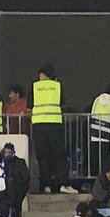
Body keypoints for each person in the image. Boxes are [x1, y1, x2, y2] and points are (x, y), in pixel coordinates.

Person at [31, 65, 65, 193]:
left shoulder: (35, 86)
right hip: (55, 123)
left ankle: (46, 185)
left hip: (39, 124)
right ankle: (62, 183)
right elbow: (63, 101)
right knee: (59, 156)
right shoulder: (57, 86)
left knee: (43, 157)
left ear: (42, 74)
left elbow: (30, 104)